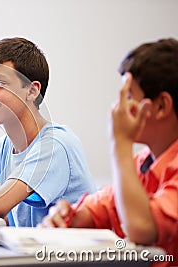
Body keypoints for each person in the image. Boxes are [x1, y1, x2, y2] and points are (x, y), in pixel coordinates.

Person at [39, 38, 178, 266]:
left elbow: (143, 228)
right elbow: (100, 208)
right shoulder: (142, 162)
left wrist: (120, 142)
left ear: (161, 106)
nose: (118, 108)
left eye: (129, 97)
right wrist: (69, 217)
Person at [0, 37, 96, 227]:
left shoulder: (55, 144)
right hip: (32, 253)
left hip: (69, 254)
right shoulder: (6, 146)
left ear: (32, 91)